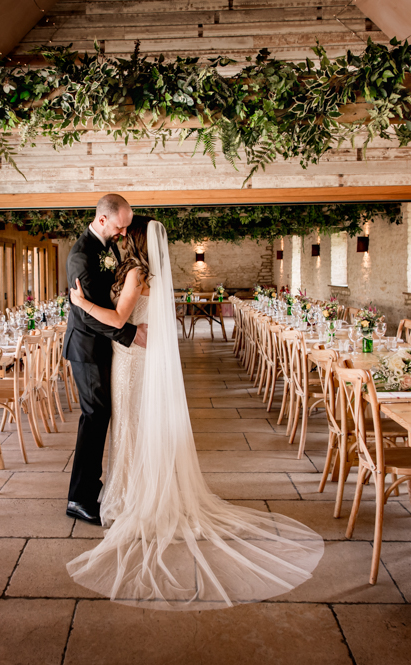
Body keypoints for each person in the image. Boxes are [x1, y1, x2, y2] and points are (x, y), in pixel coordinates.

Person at [66, 217, 324, 610]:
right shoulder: (142, 272)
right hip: (129, 356)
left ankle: (135, 493)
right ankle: (133, 487)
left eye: (125, 234)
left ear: (134, 241)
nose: (119, 237)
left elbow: (119, 320)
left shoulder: (135, 272)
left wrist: (81, 303)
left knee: (130, 426)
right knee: (131, 424)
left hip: (129, 360)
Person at [63, 194, 148, 526]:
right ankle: (79, 499)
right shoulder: (82, 255)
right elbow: (85, 317)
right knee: (94, 416)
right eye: (119, 226)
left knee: (100, 415)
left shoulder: (106, 248)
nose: (123, 234)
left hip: (102, 347)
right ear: (102, 220)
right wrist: (130, 334)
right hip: (86, 348)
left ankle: (90, 488)